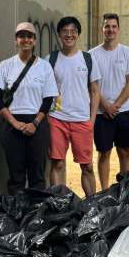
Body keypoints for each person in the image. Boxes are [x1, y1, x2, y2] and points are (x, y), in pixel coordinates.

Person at [0, 22, 59, 195]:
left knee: (37, 174)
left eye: (29, 36)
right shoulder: (6, 65)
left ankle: (36, 215)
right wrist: (13, 122)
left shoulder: (44, 66)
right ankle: (17, 214)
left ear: (35, 40)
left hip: (38, 123)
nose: (26, 40)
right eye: (22, 36)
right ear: (16, 40)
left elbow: (48, 99)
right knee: (16, 175)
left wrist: (35, 123)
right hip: (11, 124)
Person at [47, 16, 101, 196]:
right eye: (65, 31)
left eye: (73, 31)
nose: (69, 35)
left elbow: (95, 91)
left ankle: (91, 203)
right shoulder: (51, 59)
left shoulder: (87, 59)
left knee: (87, 166)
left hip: (82, 120)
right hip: (57, 119)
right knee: (57, 163)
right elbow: (45, 91)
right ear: (59, 34)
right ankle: (57, 203)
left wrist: (92, 119)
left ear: (78, 35)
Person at [89, 13, 129, 190]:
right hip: (102, 114)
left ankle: (126, 190)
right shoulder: (92, 55)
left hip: (124, 112)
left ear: (118, 29)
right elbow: (91, 85)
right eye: (107, 26)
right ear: (102, 29)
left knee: (125, 153)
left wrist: (115, 106)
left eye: (113, 26)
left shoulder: (127, 52)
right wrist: (105, 105)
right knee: (104, 154)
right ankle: (104, 192)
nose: (110, 29)